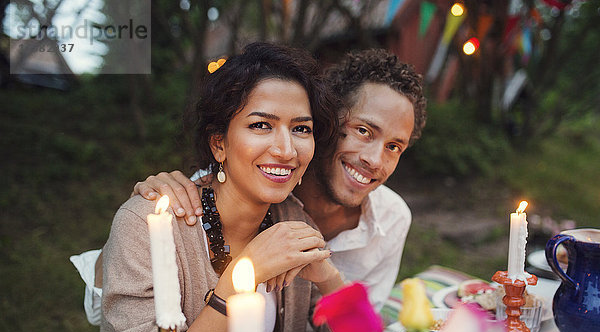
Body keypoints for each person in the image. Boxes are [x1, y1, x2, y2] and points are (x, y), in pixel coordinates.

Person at [93, 42, 345, 332]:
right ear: (219, 144)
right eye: (261, 125)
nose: (287, 149)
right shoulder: (147, 225)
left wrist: (329, 278)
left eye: (301, 129)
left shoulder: (292, 220)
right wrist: (241, 278)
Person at [131, 49, 427, 313]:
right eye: (363, 131)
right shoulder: (256, 181)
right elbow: (128, 272)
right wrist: (149, 211)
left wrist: (329, 277)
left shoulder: (389, 218)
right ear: (329, 122)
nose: (375, 160)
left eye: (394, 147)